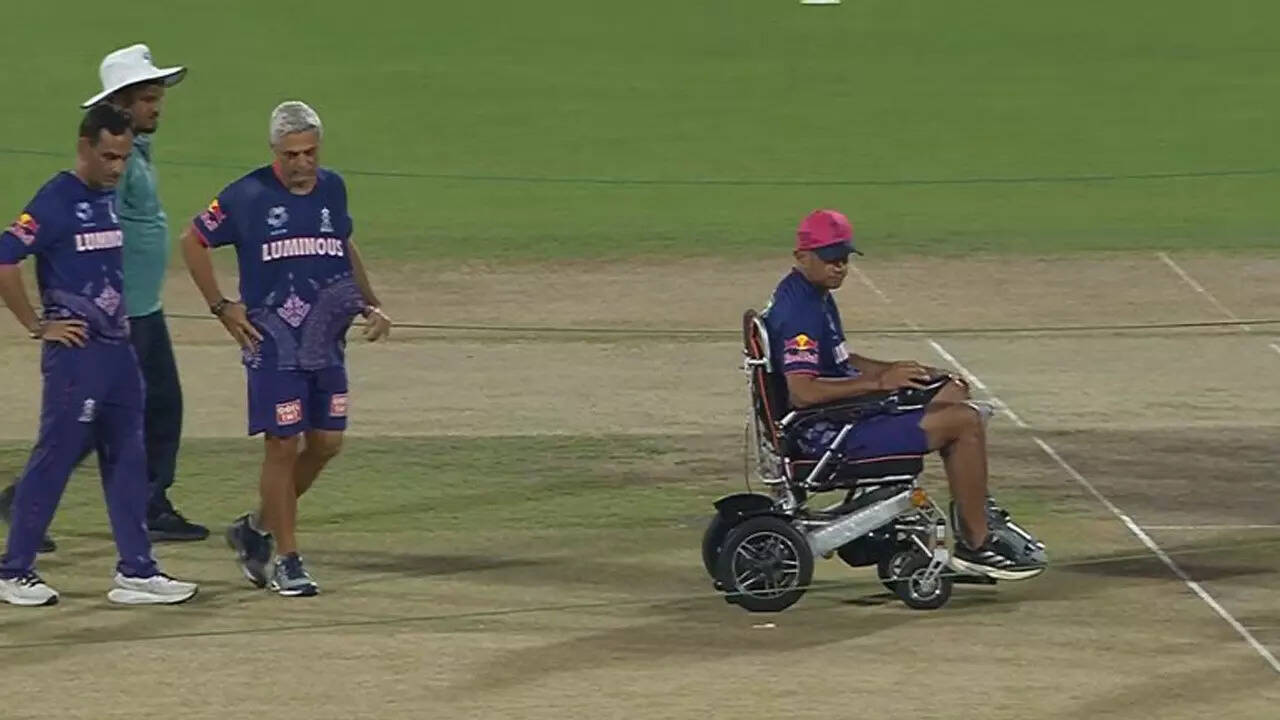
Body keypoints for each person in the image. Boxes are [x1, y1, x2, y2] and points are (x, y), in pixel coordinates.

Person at [762, 208, 1045, 580]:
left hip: (836, 418)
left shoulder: (810, 294)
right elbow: (803, 392)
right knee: (965, 422)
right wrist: (881, 383)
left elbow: (841, 361)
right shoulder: (801, 311)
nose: (840, 266)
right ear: (802, 256)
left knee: (952, 388)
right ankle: (977, 544)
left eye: (844, 257)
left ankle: (975, 508)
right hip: (828, 436)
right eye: (830, 258)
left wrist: (897, 370)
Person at [0, 43, 207, 550]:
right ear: (120, 104)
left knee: (139, 410)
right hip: (120, 312)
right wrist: (45, 318)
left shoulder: (136, 151)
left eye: (158, 98)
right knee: (107, 417)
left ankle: (143, 509)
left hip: (139, 305)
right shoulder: (111, 167)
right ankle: (31, 507)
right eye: (148, 99)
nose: (157, 108)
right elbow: (72, 227)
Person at [180, 101, 391, 597]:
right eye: (291, 154)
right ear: (274, 151)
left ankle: (255, 528)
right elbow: (192, 241)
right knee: (283, 444)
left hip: (326, 340)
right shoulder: (247, 195)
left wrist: (371, 302)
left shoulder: (333, 188)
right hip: (272, 342)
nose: (301, 163)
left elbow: (342, 244)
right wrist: (221, 306)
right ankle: (288, 559)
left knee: (327, 443)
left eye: (309, 152)